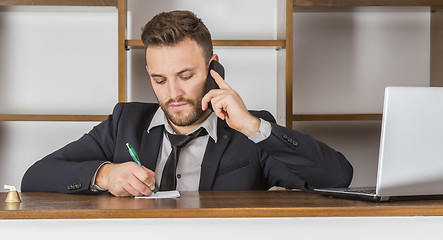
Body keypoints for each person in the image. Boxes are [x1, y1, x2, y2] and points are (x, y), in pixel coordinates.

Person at [21, 10, 353, 197]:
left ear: (214, 68)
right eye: (160, 80)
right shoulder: (125, 122)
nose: (173, 94)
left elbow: (337, 176)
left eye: (186, 75)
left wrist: (253, 127)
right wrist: (105, 175)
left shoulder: (251, 131)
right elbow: (34, 178)